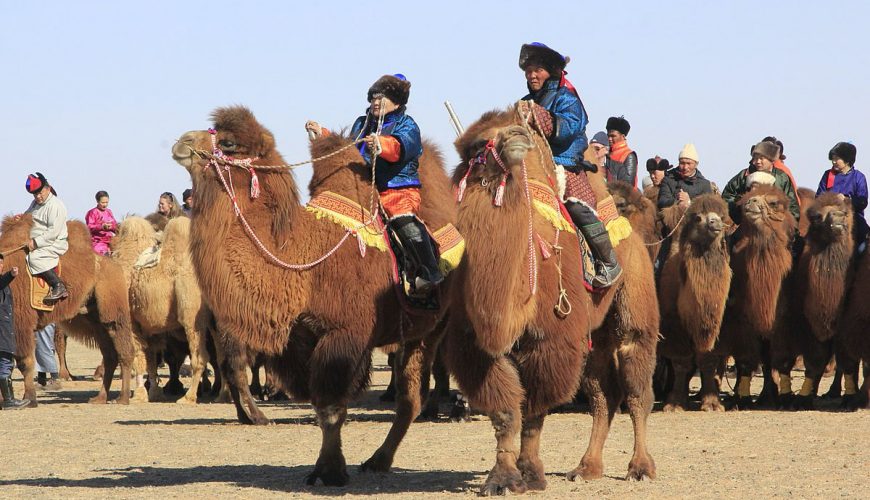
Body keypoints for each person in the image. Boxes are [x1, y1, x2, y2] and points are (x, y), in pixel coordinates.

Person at [305, 74, 443, 293]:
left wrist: (381, 145)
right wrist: (323, 135)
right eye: (374, 97)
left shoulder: (406, 125)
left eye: (383, 97)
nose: (376, 102)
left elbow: (402, 146)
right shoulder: (363, 123)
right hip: (364, 187)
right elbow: (348, 148)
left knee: (404, 221)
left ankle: (430, 272)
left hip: (398, 190)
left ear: (397, 101)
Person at [517, 42, 621, 288]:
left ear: (550, 71)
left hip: (564, 164)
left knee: (576, 206)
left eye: (537, 70)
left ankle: (609, 262)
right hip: (533, 167)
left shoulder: (567, 98)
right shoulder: (526, 101)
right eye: (528, 70)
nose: (532, 75)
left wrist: (538, 116)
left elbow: (570, 127)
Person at [722, 141, 800, 224]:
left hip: (776, 224)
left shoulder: (781, 177)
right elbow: (727, 195)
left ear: (771, 160)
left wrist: (788, 225)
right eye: (755, 158)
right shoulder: (744, 175)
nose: (758, 161)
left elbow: (792, 205)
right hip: (748, 226)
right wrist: (739, 214)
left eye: (761, 158)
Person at [24, 172, 69, 304]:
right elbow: (27, 216)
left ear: (48, 188)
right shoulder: (35, 203)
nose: (38, 196)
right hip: (36, 240)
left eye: (40, 193)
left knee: (34, 257)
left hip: (53, 243)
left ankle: (58, 285)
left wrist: (35, 242)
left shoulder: (56, 205)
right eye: (35, 194)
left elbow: (53, 232)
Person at [816, 142, 868, 250]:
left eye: (837, 159)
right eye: (832, 159)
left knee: (864, 239)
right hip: (829, 217)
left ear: (847, 160)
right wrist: (831, 200)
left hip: (853, 219)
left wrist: (847, 199)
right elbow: (818, 197)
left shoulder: (859, 177)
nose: (833, 162)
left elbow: (863, 201)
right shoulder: (827, 175)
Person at [0, 257, 29, 409]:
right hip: (2, 331)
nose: (0, 265)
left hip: (4, 329)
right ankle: (9, 401)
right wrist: (10, 275)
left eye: (1, 263)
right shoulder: (3, 281)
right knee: (5, 364)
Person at [658, 144, 713, 210]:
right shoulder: (668, 180)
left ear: (696, 164)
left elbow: (708, 209)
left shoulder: (704, 184)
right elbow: (661, 202)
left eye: (689, 163)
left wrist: (689, 202)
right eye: (682, 163)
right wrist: (677, 200)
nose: (685, 167)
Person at [604, 116, 639, 187]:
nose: (609, 139)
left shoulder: (629, 155)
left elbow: (628, 184)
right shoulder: (606, 153)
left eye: (613, 136)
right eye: (608, 136)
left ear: (623, 136)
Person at [85, 190, 117, 255]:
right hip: (98, 242)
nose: (105, 205)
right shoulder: (92, 212)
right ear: (97, 201)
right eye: (102, 202)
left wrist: (113, 227)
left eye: (106, 202)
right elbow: (89, 227)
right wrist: (102, 226)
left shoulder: (109, 212)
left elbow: (115, 226)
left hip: (110, 241)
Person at [35, 324, 62, 389]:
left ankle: (55, 379)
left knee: (45, 345)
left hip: (46, 318)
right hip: (41, 318)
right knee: (40, 346)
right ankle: (41, 379)